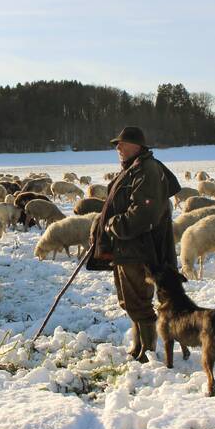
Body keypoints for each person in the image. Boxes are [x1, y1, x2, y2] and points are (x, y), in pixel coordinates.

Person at [87, 126, 180, 362]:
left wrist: (113, 225)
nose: (117, 147)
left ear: (137, 146)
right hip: (127, 248)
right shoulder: (133, 170)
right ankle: (139, 346)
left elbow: (144, 213)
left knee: (139, 300)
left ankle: (147, 351)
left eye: (122, 143)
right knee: (129, 300)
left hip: (140, 249)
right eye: (117, 144)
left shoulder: (147, 171)